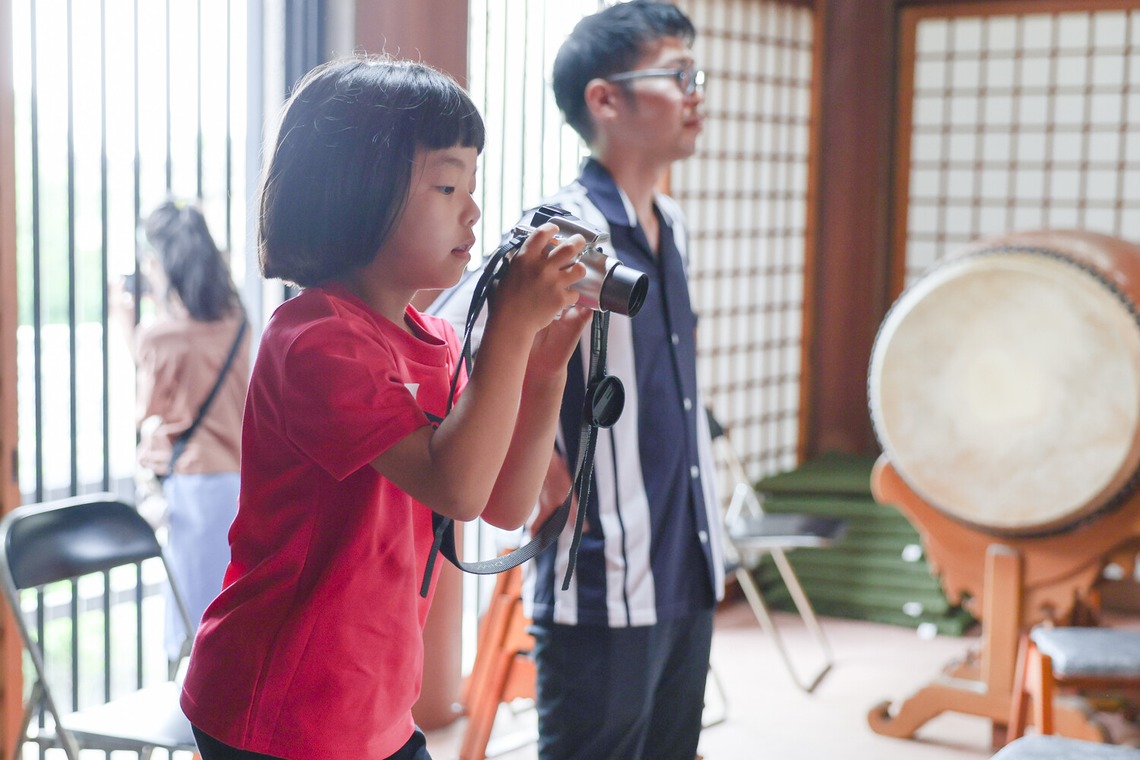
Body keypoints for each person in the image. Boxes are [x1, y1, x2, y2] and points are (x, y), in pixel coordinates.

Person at [178, 55, 592, 760]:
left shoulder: (434, 340)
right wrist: (512, 329)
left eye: (472, 186)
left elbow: (502, 504)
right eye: (447, 186)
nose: (473, 211)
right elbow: (455, 489)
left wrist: (545, 369)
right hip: (280, 703)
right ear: (357, 193)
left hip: (368, 701)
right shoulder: (315, 340)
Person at [522, 3, 725, 758]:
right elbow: (467, 359)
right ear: (605, 99)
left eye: (695, 74)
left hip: (684, 560)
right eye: (678, 74)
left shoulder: (673, 221)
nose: (696, 92)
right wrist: (541, 473)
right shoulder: (563, 229)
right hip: (599, 576)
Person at [118, 198, 250, 664]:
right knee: (230, 619)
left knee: (194, 631)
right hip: (240, 483)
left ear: (163, 265)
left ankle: (191, 712)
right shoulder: (238, 320)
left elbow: (146, 409)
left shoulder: (159, 336)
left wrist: (129, 331)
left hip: (196, 489)